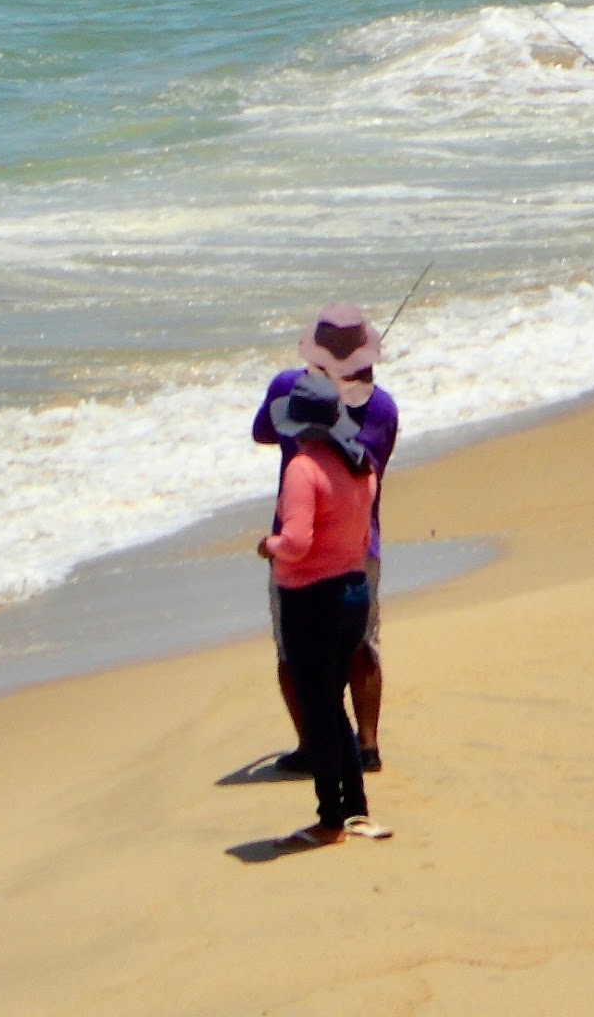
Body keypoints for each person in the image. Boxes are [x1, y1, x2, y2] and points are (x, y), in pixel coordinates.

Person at [251, 310, 396, 776]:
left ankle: (313, 745)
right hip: (358, 545)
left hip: (296, 547)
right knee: (361, 643)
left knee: (293, 651)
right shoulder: (384, 408)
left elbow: (263, 431)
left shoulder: (287, 390)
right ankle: (367, 745)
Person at [254, 372, 386, 844]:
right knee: (332, 704)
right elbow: (359, 533)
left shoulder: (304, 468)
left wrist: (268, 546)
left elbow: (295, 542)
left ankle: (330, 819)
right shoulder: (361, 463)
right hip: (353, 592)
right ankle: (356, 810)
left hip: (311, 599)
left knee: (320, 709)